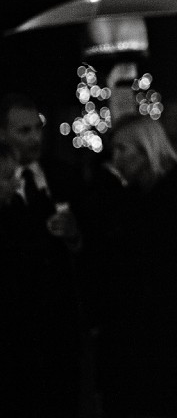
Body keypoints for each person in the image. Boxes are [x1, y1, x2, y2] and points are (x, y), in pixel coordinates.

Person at [82, 114, 177, 418]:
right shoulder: (134, 192)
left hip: (156, 331)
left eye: (123, 150)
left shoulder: (172, 191)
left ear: (146, 150)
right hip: (128, 330)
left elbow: (150, 255)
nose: (116, 159)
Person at [0, 93, 83, 418]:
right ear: (3, 134)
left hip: (58, 325)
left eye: (38, 128)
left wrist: (74, 234)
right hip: (11, 330)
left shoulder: (63, 175)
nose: (35, 138)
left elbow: (92, 245)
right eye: (24, 131)